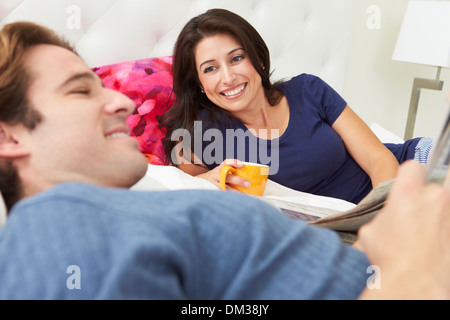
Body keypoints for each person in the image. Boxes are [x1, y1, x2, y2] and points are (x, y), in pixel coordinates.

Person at [0, 21, 449, 301]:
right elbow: (186, 158)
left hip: (400, 192)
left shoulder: (122, 216)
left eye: (237, 59)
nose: (119, 99)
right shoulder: (54, 229)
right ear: (8, 135)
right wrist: (405, 279)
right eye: (82, 90)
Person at [160, 9, 430, 204]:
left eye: (237, 58)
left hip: (404, 177)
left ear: (258, 59)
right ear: (198, 83)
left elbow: (378, 158)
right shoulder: (199, 135)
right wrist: (206, 182)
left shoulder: (307, 90)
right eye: (210, 69)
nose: (228, 77)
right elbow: (189, 198)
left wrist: (384, 220)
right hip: (341, 229)